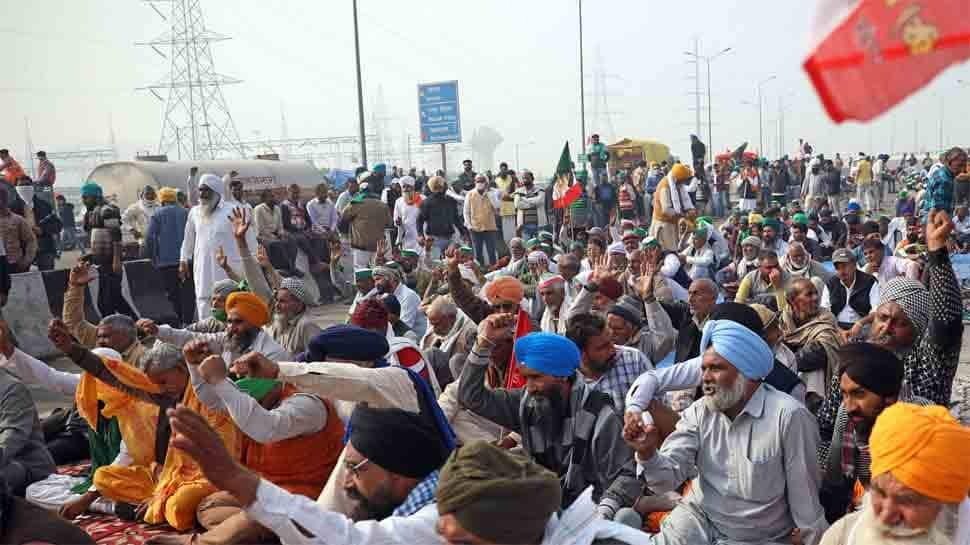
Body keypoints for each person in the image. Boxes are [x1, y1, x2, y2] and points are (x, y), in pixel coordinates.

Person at [623, 319, 827, 545]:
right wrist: (648, 453)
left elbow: (806, 504)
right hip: (698, 518)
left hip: (753, 538)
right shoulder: (700, 412)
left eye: (716, 368)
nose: (706, 378)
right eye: (704, 369)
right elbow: (664, 481)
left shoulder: (789, 417)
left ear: (745, 373)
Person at [230, 325, 456, 517]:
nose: (324, 376)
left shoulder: (395, 381)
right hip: (369, 494)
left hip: (419, 497)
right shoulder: (344, 404)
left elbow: (348, 380)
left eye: (327, 365)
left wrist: (279, 370)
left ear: (357, 364)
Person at [46, 322, 240, 532]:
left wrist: (163, 494)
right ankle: (153, 506)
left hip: (208, 475)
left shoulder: (209, 392)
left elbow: (214, 457)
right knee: (103, 477)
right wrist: (71, 349)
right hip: (169, 475)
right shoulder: (163, 395)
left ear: (181, 369)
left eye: (165, 382)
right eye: (157, 385)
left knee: (179, 504)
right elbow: (115, 377)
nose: (162, 389)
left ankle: (152, 507)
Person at [150, 339, 345, 545]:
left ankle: (200, 542)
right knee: (208, 506)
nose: (242, 396)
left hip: (305, 499)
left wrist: (220, 381)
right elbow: (215, 400)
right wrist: (196, 365)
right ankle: (256, 534)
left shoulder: (306, 404)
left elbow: (264, 428)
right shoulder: (254, 400)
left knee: (257, 518)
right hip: (265, 491)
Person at [458, 324, 639, 520]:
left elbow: (627, 474)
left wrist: (604, 510)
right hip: (542, 506)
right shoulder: (526, 404)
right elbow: (470, 396)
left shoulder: (601, 416)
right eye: (526, 378)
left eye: (536, 377)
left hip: (591, 511)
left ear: (561, 375)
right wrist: (483, 344)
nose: (530, 388)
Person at [819, 403, 970, 545]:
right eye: (880, 492)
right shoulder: (841, 537)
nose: (885, 516)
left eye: (907, 500)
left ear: (945, 504)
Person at [817, 343, 930, 523]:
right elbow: (835, 482)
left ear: (889, 396)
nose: (849, 405)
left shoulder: (925, 421)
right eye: (844, 394)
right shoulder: (848, 416)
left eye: (859, 394)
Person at [181, 174, 256, 320]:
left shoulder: (233, 210)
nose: (202, 194)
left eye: (206, 190)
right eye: (200, 190)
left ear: (216, 191)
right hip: (203, 270)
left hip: (228, 270)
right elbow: (188, 238)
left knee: (230, 306)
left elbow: (250, 239)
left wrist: (254, 266)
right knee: (204, 305)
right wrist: (183, 259)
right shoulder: (195, 212)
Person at [143, 291, 290, 365]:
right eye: (229, 322)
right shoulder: (227, 338)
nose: (231, 328)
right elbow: (191, 337)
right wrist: (158, 331)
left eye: (238, 322)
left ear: (254, 324)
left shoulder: (272, 354)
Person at [565, 312, 653, 412]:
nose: (613, 350)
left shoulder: (634, 359)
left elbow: (659, 406)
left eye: (611, 341)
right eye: (603, 347)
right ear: (581, 354)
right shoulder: (566, 379)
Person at [781, 278, 843, 404]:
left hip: (819, 381)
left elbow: (814, 355)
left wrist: (781, 362)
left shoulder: (825, 319)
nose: (816, 298)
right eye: (809, 294)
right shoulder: (783, 320)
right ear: (793, 301)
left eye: (816, 293)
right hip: (790, 381)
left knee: (814, 372)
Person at [145, 187, 194, 326]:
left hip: (166, 262)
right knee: (187, 292)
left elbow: (150, 238)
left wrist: (153, 257)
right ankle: (188, 322)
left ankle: (179, 320)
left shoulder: (157, 214)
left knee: (173, 293)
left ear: (162, 200)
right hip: (186, 260)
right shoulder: (186, 212)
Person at [605, 293, 676, 366]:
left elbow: (665, 338)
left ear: (634, 328)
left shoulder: (646, 343)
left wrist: (649, 299)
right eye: (608, 326)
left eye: (618, 328)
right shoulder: (600, 340)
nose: (611, 332)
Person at [420, 296, 476, 387]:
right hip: (436, 379)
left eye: (437, 324)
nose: (434, 329)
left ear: (451, 317)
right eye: (432, 324)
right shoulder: (432, 333)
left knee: (433, 354)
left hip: (457, 380)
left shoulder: (470, 332)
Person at [339, 175, 392, 269]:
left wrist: (345, 235)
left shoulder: (355, 204)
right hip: (378, 246)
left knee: (360, 270)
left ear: (360, 192)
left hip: (360, 245)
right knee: (377, 270)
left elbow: (343, 219)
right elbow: (389, 224)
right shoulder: (383, 205)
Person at [821, 248, 879, 333]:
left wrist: (860, 323)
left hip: (863, 325)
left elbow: (876, 310)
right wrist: (839, 330)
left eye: (844, 266)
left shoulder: (869, 281)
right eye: (838, 268)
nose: (841, 271)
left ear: (854, 265)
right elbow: (825, 311)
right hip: (836, 326)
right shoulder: (831, 283)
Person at [417, 176, 467, 259]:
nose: (443, 187)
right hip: (434, 241)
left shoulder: (451, 201)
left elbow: (456, 219)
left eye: (442, 185)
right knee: (435, 266)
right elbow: (419, 220)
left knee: (450, 266)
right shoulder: (427, 203)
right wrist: (420, 235)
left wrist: (463, 232)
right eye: (439, 186)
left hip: (450, 239)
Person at [650, 164, 695, 251]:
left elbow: (684, 202)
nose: (684, 183)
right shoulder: (665, 186)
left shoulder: (677, 184)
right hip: (663, 226)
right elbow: (666, 209)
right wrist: (683, 216)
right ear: (678, 179)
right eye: (683, 180)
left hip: (672, 223)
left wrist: (690, 211)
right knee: (667, 251)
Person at [463, 174, 500, 266]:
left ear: (486, 183)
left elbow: (497, 207)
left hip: (489, 227)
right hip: (475, 228)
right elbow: (466, 212)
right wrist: (468, 225)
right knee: (478, 253)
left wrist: (489, 194)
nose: (479, 183)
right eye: (477, 181)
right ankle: (480, 271)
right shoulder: (470, 194)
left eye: (482, 181)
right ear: (475, 182)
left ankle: (494, 269)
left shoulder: (491, 194)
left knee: (491, 251)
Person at [0, 183, 36, 274]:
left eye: (2, 198)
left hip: (14, 265)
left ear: (5, 200)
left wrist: (26, 261)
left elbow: (31, 240)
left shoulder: (17, 220)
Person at [921, 147, 966, 218]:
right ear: (949, 162)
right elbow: (939, 210)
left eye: (964, 166)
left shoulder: (951, 176)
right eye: (959, 165)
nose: (962, 169)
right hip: (935, 222)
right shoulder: (943, 180)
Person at [24, 185, 61, 271]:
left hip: (44, 249)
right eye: (21, 185)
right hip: (23, 252)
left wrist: (43, 230)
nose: (24, 188)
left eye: (26, 185)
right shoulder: (12, 207)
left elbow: (57, 225)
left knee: (48, 278)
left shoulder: (45, 205)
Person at [515, 170, 549, 240]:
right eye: (523, 178)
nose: (525, 180)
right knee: (527, 247)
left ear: (532, 179)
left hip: (539, 225)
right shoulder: (519, 191)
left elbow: (539, 201)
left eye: (527, 178)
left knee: (539, 246)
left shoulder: (540, 189)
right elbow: (517, 204)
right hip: (524, 226)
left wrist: (524, 199)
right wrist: (532, 204)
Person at [392, 176, 422, 250]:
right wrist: (397, 221)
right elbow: (396, 220)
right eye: (403, 187)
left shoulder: (422, 199)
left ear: (413, 187)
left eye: (408, 186)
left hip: (420, 238)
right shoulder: (399, 201)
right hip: (406, 238)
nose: (406, 189)